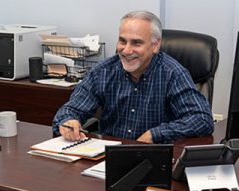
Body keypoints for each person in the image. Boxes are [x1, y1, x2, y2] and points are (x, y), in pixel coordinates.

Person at [52, 10, 214, 143]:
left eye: (136, 43)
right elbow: (70, 110)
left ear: (155, 45)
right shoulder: (103, 71)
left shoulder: (172, 74)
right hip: (108, 156)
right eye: (122, 41)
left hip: (154, 157)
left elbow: (202, 119)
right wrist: (69, 121)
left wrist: (155, 134)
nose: (126, 50)